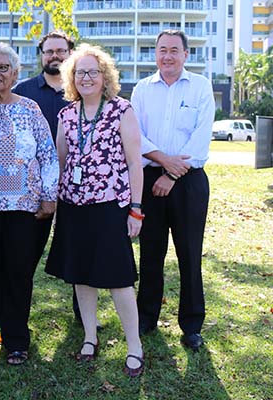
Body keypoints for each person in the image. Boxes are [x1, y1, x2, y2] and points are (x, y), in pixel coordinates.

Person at [45, 43, 145, 376]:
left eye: (93, 72)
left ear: (105, 77)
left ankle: (135, 346)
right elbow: (61, 161)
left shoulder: (121, 110)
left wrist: (136, 209)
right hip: (73, 207)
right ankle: (89, 338)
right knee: (81, 277)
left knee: (118, 279)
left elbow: (134, 163)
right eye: (80, 72)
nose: (86, 78)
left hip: (110, 207)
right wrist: (57, 205)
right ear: (71, 78)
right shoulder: (66, 114)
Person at [0, 43, 58, 366]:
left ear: (15, 73)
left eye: (2, 68)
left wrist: (50, 195)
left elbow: (48, 155)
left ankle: (17, 340)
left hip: (24, 207)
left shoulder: (31, 109)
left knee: (18, 273)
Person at [131, 30, 215, 351]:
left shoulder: (200, 87)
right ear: (155, 54)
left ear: (185, 55)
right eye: (162, 50)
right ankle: (146, 317)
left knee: (189, 254)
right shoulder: (142, 89)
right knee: (151, 253)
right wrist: (163, 164)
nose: (167, 56)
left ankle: (192, 324)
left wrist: (172, 173)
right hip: (151, 181)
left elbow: (200, 139)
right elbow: (135, 134)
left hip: (189, 182)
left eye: (174, 51)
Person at [12, 32, 88, 322]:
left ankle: (84, 317)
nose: (54, 56)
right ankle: (16, 321)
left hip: (78, 187)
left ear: (71, 53)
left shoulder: (84, 90)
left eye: (60, 51)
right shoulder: (24, 91)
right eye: (48, 51)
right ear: (41, 55)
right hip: (32, 190)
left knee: (79, 253)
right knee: (24, 257)